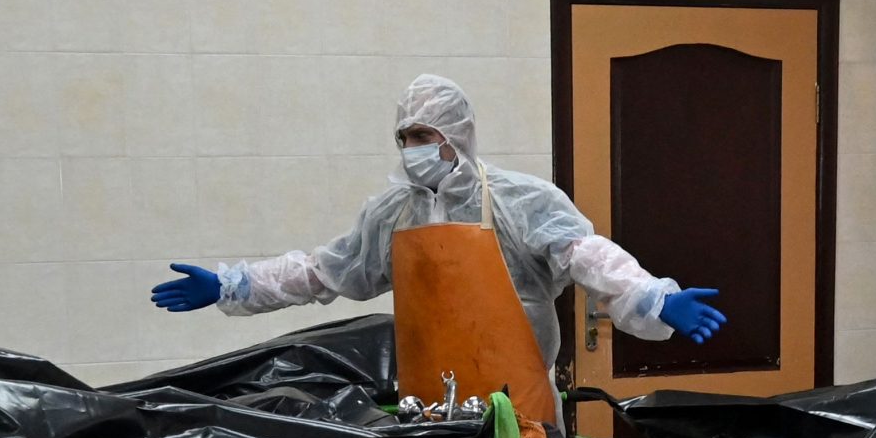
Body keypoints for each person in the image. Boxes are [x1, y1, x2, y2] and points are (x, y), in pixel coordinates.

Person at [149, 74, 724, 364]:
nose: (412, 148)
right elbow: (324, 271)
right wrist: (234, 285)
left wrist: (650, 296)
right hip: (429, 399)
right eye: (405, 137)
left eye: (423, 135)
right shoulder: (392, 213)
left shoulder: (522, 199)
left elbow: (585, 254)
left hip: (520, 399)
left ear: (456, 136)